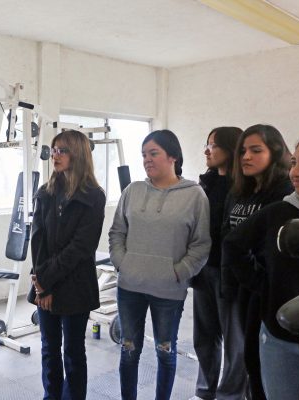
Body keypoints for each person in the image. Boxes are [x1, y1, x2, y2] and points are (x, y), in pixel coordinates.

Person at [109, 129, 211, 400]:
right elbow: (117, 232)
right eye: (144, 154)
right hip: (130, 287)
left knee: (165, 353)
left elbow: (201, 244)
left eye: (153, 153)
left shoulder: (195, 195)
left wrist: (178, 272)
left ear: (173, 156)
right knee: (128, 351)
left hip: (168, 291)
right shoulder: (133, 191)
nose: (147, 160)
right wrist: (122, 264)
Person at [222, 137, 299, 400]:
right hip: (279, 340)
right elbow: (232, 245)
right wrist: (262, 285)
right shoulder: (277, 212)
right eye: (295, 162)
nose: (296, 171)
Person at [30, 130, 106, 400]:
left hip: (75, 285)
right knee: (49, 349)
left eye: (62, 150)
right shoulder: (45, 192)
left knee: (73, 352)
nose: (55, 155)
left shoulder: (94, 196)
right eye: (54, 150)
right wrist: (42, 285)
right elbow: (38, 241)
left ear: (78, 154)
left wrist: (46, 280)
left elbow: (81, 247)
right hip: (45, 285)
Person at [191, 127, 245, 400]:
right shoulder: (206, 184)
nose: (206, 150)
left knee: (235, 341)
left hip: (231, 273)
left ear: (230, 148)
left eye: (213, 145)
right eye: (207, 144)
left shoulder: (245, 187)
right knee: (204, 336)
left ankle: (230, 395)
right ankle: (205, 390)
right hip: (205, 268)